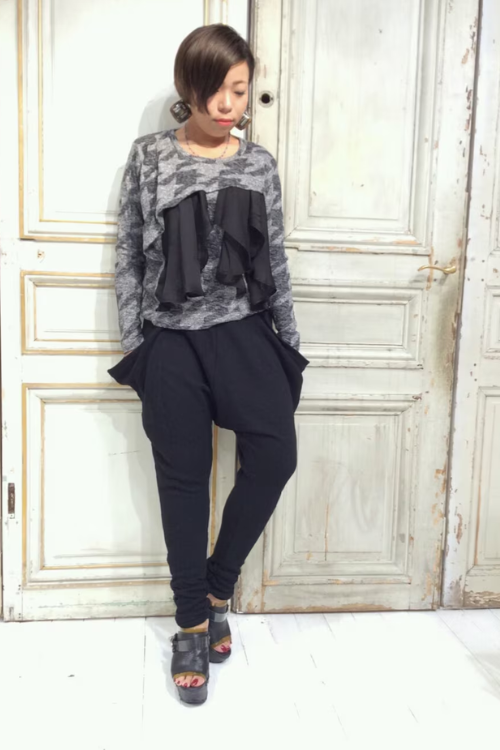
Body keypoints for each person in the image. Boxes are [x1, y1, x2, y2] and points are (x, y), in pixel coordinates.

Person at [108, 23, 309, 705]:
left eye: (240, 91)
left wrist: (288, 342)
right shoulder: (150, 156)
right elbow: (129, 252)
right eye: (217, 90)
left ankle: (219, 586)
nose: (228, 105)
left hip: (246, 334)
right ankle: (192, 621)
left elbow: (274, 255)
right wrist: (135, 343)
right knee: (183, 480)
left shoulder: (259, 165)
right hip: (171, 341)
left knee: (275, 456)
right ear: (187, 86)